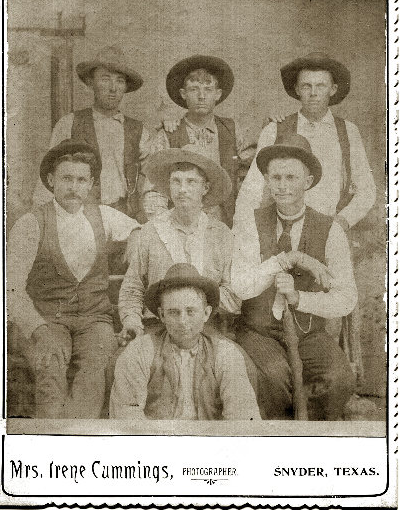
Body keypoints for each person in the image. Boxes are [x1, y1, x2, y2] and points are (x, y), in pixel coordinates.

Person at [7, 139, 140, 418]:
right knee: (51, 364)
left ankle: (78, 437)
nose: (74, 187)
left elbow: (141, 232)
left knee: (97, 365)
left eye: (82, 180)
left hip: (94, 320)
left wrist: (134, 242)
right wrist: (39, 330)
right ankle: (52, 439)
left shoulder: (104, 216)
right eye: (67, 178)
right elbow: (10, 289)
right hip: (48, 319)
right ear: (52, 180)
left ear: (91, 184)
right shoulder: (32, 223)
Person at [231, 133, 357, 420]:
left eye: (291, 177)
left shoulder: (330, 230)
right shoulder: (250, 223)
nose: (283, 186)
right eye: (276, 178)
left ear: (308, 182)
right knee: (275, 378)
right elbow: (240, 285)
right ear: (267, 180)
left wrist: (300, 297)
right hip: (258, 331)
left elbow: (346, 298)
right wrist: (284, 260)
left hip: (308, 334)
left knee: (339, 379)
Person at [234, 52, 376, 232]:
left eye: (321, 85)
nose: (314, 93)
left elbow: (367, 190)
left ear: (332, 89)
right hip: (282, 230)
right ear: (297, 89)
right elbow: (252, 190)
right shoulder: (275, 129)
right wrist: (243, 233)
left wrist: (342, 221)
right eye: (307, 86)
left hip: (332, 228)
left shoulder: (348, 131)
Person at [118, 146, 241, 343]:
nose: (182, 189)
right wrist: (132, 320)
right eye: (176, 181)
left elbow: (233, 293)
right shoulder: (151, 231)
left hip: (207, 329)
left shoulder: (221, 234)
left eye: (191, 182)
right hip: (159, 327)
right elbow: (133, 287)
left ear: (205, 188)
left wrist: (196, 310)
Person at [110, 263, 261, 420]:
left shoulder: (226, 354)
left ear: (206, 313)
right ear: (162, 315)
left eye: (191, 311)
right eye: (174, 312)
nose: (182, 321)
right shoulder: (140, 352)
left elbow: (243, 420)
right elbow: (127, 419)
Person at [33, 45, 152, 221]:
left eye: (119, 81)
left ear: (125, 87)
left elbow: (152, 182)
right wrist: (40, 221)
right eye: (105, 79)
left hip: (125, 218)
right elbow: (47, 179)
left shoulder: (139, 131)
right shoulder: (69, 123)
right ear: (91, 82)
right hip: (79, 219)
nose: (113, 88)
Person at [144, 54, 254, 226]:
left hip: (224, 223)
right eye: (194, 89)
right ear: (183, 94)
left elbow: (251, 178)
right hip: (181, 224)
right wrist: (166, 230)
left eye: (208, 90)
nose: (201, 96)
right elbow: (153, 189)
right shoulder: (168, 134)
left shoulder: (232, 130)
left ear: (217, 94)